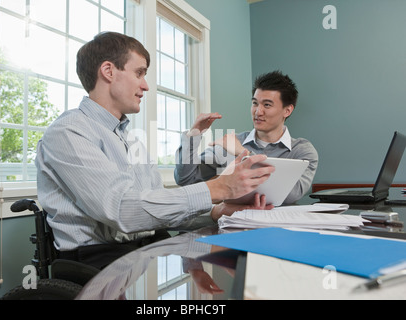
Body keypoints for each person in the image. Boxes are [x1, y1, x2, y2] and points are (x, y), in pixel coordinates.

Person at [35, 32, 274, 270]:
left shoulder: (130, 140)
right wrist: (218, 187)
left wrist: (217, 211)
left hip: (147, 248)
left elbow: (154, 209)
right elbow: (122, 210)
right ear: (108, 71)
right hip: (99, 260)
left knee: (242, 264)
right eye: (139, 73)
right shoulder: (68, 132)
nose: (145, 86)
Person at [174, 71, 318, 205]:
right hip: (232, 227)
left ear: (287, 110)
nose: (258, 111)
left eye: (267, 105)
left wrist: (243, 154)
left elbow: (291, 195)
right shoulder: (229, 143)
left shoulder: (302, 151)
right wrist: (193, 136)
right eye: (255, 103)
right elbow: (186, 179)